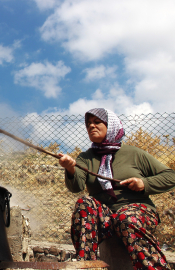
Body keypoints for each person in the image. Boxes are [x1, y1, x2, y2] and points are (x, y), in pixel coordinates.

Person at [58, 108, 175, 270]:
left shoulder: (133, 153)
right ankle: (87, 266)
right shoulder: (85, 157)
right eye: (88, 124)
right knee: (84, 203)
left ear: (111, 125)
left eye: (97, 122)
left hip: (137, 212)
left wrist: (144, 184)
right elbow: (76, 186)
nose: (91, 126)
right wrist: (70, 169)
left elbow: (170, 176)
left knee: (124, 218)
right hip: (105, 217)